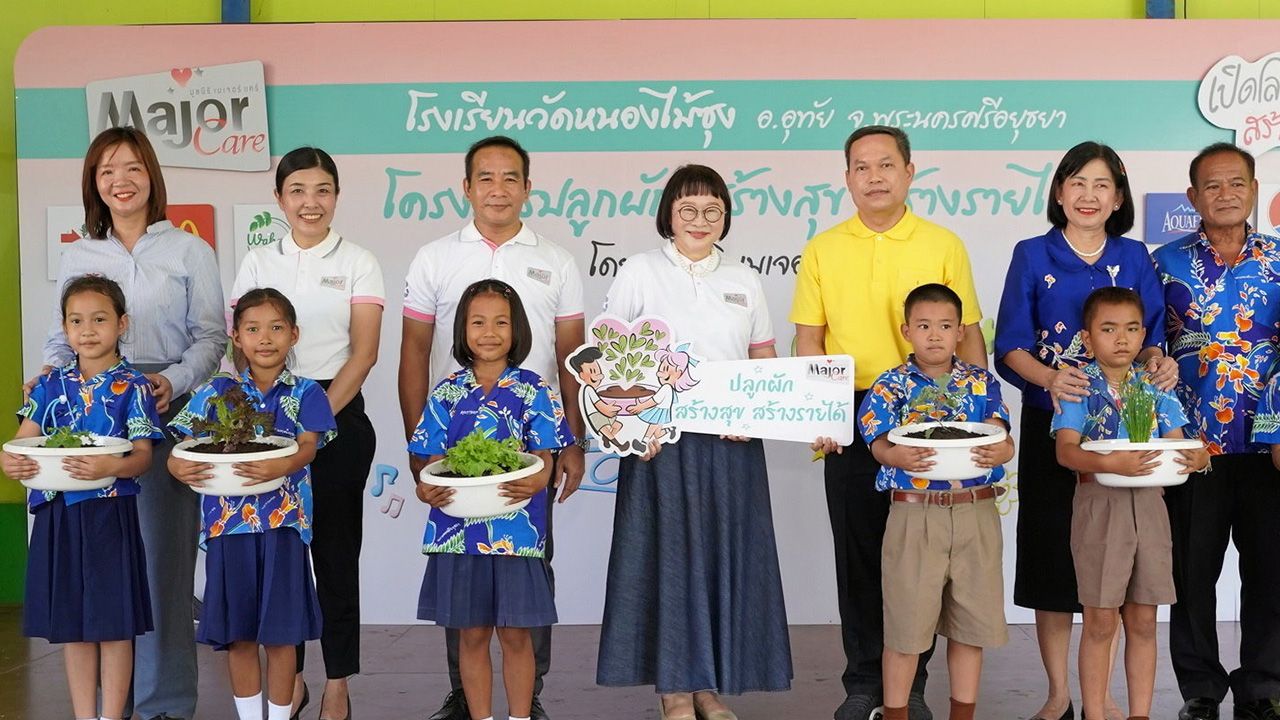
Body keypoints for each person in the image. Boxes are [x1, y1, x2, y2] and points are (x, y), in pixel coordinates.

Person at [29, 126, 225, 720]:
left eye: (134, 167)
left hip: (162, 408)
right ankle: (105, 708)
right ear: (94, 182)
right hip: (90, 411)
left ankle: (163, 703)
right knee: (101, 562)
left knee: (162, 562)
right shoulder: (79, 254)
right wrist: (48, 372)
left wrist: (175, 380)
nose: (122, 180)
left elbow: (212, 336)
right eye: (108, 169)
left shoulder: (190, 250)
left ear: (152, 177)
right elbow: (67, 332)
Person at [790, 125, 985, 720]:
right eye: (860, 167)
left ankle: (915, 682)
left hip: (930, 410)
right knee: (857, 549)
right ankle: (863, 681)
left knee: (919, 558)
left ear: (909, 172)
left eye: (885, 165)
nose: (874, 177)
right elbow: (808, 339)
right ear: (846, 177)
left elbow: (969, 333)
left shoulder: (943, 243)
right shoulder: (823, 247)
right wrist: (816, 416)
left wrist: (981, 419)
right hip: (849, 410)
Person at [398, 135, 585, 720]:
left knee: (527, 592)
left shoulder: (555, 259)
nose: (498, 189)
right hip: (453, 471)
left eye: (511, 178)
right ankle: (467, 697)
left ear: (528, 188)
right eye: (486, 178)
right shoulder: (434, 257)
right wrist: (419, 456)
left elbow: (571, 353)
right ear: (466, 188)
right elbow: (413, 351)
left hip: (532, 461)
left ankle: (529, 701)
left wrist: (570, 443)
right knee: (467, 602)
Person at [595, 164, 792, 720]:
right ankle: (674, 690)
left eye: (713, 211)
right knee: (670, 563)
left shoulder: (743, 279)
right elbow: (610, 357)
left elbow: (763, 360)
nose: (700, 221)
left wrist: (757, 413)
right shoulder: (639, 271)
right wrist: (634, 426)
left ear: (725, 217)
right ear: (668, 216)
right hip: (661, 446)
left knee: (721, 564)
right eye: (688, 210)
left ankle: (709, 686)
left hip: (731, 445)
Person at [994, 141, 1177, 720]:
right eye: (1077, 182)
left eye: (1101, 185)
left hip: (1128, 423)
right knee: (1053, 558)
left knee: (1127, 566)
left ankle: (1118, 702)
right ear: (1058, 192)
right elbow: (1009, 346)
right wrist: (1051, 379)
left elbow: (1151, 337)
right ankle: (1059, 693)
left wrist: (1160, 361)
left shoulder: (1135, 254)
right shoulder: (1032, 253)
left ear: (1118, 197)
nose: (1088, 195)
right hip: (1059, 420)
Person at [231, 147, 383, 720]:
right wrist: (271, 416)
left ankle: (338, 681)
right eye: (297, 190)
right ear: (279, 199)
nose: (309, 202)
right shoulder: (256, 261)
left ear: (336, 197)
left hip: (335, 415)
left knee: (336, 557)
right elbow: (240, 346)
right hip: (266, 418)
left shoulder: (360, 261)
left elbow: (364, 353)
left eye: (322, 190)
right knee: (280, 557)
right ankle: (287, 680)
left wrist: (309, 416)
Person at [1154, 143, 1280, 720]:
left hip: (1267, 442)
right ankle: (1200, 688)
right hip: (1191, 443)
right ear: (1192, 197)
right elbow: (1146, 346)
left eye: (1236, 184)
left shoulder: (1279, 261)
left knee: (1270, 568)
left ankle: (1264, 685)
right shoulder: (1163, 263)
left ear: (1254, 190)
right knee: (1191, 570)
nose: (1225, 194)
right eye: (1212, 185)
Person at [168, 288, 337, 720]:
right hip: (228, 529)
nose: (265, 338)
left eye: (277, 328)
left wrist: (278, 467)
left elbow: (308, 448)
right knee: (239, 635)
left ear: (294, 335)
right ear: (236, 337)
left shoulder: (307, 393)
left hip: (284, 528)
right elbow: (184, 447)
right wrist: (175, 465)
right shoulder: (217, 391)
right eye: (253, 329)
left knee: (281, 636)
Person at [409, 278, 572, 720]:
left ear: (517, 330)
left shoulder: (534, 388)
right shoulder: (446, 392)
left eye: (501, 322)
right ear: (461, 330)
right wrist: (426, 488)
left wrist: (540, 480)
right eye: (478, 322)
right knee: (472, 635)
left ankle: (520, 716)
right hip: (458, 532)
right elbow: (430, 462)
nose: (489, 332)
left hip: (518, 531)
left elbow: (546, 455)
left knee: (518, 635)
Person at [3, 275, 163, 720]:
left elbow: (142, 457)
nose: (88, 330)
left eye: (99, 319)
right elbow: (22, 441)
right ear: (64, 327)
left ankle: (111, 715)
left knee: (114, 627)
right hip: (59, 516)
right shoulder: (49, 386)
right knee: (74, 627)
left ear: (122, 324)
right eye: (76, 321)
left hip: (110, 516)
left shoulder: (134, 386)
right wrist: (11, 461)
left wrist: (112, 465)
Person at [1050, 287, 1209, 720]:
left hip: (1152, 507)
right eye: (1108, 329)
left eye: (1132, 329)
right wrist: (1111, 460)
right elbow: (1066, 452)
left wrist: (1197, 457)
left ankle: (1140, 713)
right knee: (1101, 621)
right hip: (1100, 504)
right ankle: (1095, 712)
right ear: (1087, 338)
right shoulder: (1078, 386)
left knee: (1143, 619)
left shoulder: (1156, 387)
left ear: (1144, 336)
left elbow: (1182, 447)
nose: (1121, 338)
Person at [857, 283, 1013, 720]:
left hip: (975, 510)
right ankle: (896, 713)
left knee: (971, 628)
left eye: (945, 326)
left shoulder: (981, 382)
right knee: (906, 631)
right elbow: (877, 441)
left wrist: (1005, 448)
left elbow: (1001, 435)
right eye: (924, 326)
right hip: (914, 515)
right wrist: (892, 453)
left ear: (961, 331)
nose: (934, 335)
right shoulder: (891, 384)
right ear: (907, 330)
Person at [566, 347, 623, 451]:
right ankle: (620, 445)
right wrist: (608, 409)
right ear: (582, 375)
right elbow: (599, 405)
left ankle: (606, 438)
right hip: (595, 416)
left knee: (618, 425)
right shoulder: (588, 389)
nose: (597, 374)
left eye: (597, 370)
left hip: (601, 414)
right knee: (605, 429)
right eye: (592, 371)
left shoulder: (593, 389)